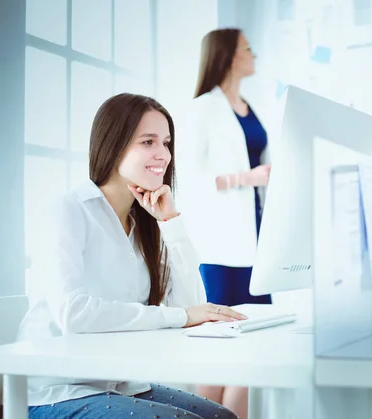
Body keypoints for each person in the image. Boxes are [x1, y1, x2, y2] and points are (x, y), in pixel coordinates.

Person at [17, 93, 244, 419]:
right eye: (148, 142)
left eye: (166, 143)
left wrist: (171, 224)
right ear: (114, 145)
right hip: (58, 391)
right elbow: (73, 313)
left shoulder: (145, 226)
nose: (163, 154)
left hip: (118, 384)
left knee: (223, 416)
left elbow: (193, 305)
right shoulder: (70, 210)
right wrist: (182, 316)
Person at [175, 28, 273, 418]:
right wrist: (244, 178)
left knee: (253, 346)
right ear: (230, 56)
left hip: (258, 241)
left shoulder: (248, 107)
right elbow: (188, 176)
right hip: (220, 245)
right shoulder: (203, 108)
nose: (255, 54)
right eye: (249, 48)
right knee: (220, 346)